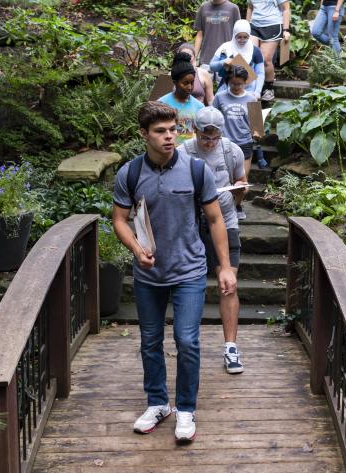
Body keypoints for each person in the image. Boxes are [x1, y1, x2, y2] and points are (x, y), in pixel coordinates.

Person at [112, 101, 237, 441]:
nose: (169, 137)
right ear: (144, 135)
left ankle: (185, 409)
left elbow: (215, 219)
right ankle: (157, 403)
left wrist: (225, 267)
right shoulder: (131, 173)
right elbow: (119, 220)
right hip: (149, 275)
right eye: (160, 132)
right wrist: (137, 250)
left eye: (172, 130)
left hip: (189, 270)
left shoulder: (197, 170)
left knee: (187, 340)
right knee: (150, 341)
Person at [176, 107, 248, 374]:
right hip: (193, 224)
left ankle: (231, 347)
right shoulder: (184, 152)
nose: (209, 142)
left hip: (226, 221)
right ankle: (187, 344)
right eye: (205, 137)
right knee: (186, 284)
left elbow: (241, 180)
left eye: (214, 137)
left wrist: (238, 193)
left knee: (228, 283)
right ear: (195, 131)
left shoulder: (232, 151)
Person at [212, 66, 262, 215]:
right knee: (225, 179)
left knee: (241, 183)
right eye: (232, 83)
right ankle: (225, 208)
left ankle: (236, 205)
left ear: (245, 82)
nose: (235, 87)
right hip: (224, 143)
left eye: (239, 84)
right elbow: (213, 117)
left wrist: (257, 133)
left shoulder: (251, 99)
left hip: (244, 143)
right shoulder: (220, 97)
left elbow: (257, 126)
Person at [246, 0, 290, 101]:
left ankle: (268, 88)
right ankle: (251, 87)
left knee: (265, 59)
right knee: (250, 57)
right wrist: (246, 26)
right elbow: (250, 8)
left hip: (273, 25)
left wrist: (286, 30)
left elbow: (286, 8)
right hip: (254, 26)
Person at [210, 20, 265, 100]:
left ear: (249, 36)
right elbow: (212, 66)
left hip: (249, 90)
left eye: (245, 37)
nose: (242, 40)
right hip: (227, 87)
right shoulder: (225, 47)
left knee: (251, 112)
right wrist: (223, 62)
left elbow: (260, 73)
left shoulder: (255, 50)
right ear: (234, 35)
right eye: (239, 37)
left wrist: (257, 91)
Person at [158, 52, 205, 144]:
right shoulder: (162, 104)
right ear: (175, 82)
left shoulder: (199, 106)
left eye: (192, 83)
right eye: (185, 83)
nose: (190, 87)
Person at [193, 0, 242, 66]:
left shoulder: (233, 8)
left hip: (227, 59)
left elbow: (238, 35)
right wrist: (194, 58)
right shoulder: (203, 7)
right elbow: (199, 35)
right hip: (206, 60)